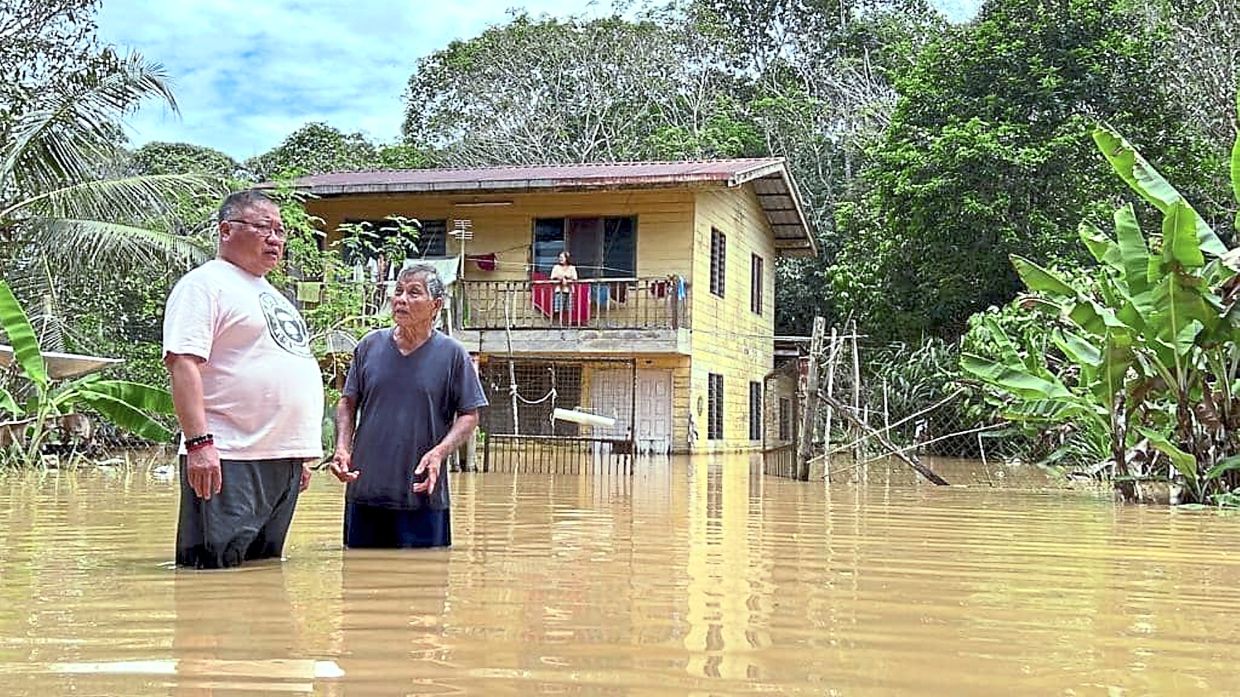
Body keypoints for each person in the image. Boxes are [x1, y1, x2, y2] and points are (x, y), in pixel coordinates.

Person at [163, 189, 323, 569]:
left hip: (280, 460)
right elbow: (182, 362)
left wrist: (298, 455)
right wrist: (199, 443)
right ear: (225, 230)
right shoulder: (204, 285)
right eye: (264, 227)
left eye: (281, 231)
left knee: (262, 574)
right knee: (213, 576)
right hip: (229, 456)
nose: (275, 239)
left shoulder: (274, 296)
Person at [329, 264, 488, 548]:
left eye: (414, 293)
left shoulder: (453, 354)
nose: (401, 299)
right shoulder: (369, 346)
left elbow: (469, 415)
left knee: (423, 584)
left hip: (423, 496)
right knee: (356, 583)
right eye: (398, 291)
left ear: (436, 305)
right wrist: (342, 446)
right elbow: (348, 401)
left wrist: (440, 452)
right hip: (365, 493)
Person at [549, 250, 577, 315]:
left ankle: (566, 324)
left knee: (568, 310)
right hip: (559, 291)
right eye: (559, 257)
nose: (560, 259)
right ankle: (558, 323)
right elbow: (552, 278)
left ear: (567, 258)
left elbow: (575, 278)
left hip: (569, 291)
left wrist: (567, 278)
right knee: (558, 310)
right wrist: (560, 278)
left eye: (562, 257)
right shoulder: (556, 267)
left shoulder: (572, 268)